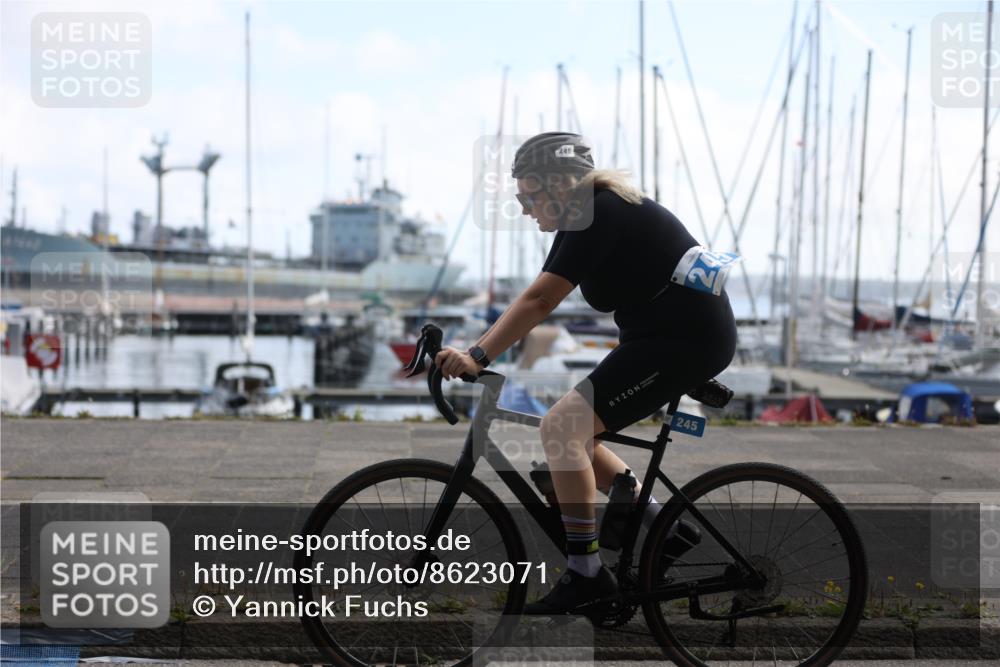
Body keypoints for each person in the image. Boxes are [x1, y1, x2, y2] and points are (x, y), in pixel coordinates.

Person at [433, 132, 737, 615]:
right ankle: (662, 529)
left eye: (528, 194)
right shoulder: (586, 215)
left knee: (561, 429)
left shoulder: (600, 212)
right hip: (662, 338)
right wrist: (481, 351)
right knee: (574, 435)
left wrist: (479, 355)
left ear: (559, 184)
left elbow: (540, 301)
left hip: (683, 340)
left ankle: (586, 575)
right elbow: (538, 294)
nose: (526, 207)